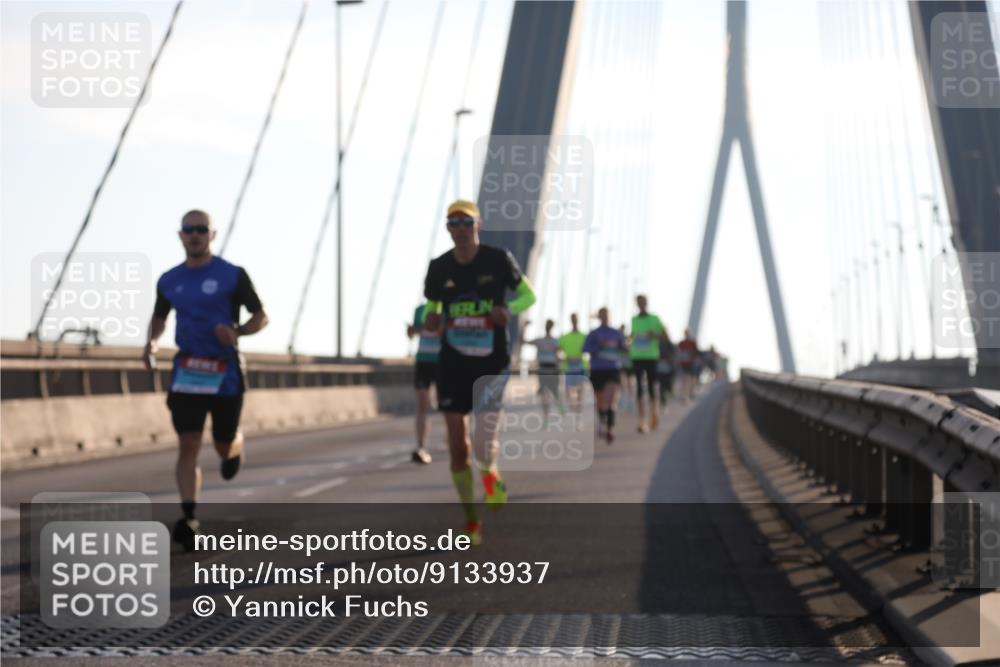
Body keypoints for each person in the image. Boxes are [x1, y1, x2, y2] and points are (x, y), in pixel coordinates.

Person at [143, 210, 268, 551]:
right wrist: (151, 343)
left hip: (225, 372)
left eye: (201, 229)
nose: (195, 235)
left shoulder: (232, 275)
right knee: (188, 442)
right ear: (180, 235)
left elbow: (261, 316)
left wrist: (238, 331)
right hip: (188, 370)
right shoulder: (169, 280)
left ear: (212, 235)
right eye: (189, 229)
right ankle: (189, 516)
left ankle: (234, 447)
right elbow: (159, 317)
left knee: (222, 443)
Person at [422, 199, 536, 545]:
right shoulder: (439, 267)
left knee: (485, 444)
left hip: (491, 362)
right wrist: (431, 318)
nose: (460, 229)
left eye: (466, 222)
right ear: (447, 229)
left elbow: (528, 296)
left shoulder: (498, 259)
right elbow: (432, 308)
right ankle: (472, 519)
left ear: (478, 225)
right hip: (453, 362)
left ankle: (490, 475)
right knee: (458, 446)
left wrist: (507, 310)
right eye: (453, 223)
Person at [584, 307, 627, 444]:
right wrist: (599, 346)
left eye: (606, 315)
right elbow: (585, 349)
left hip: (612, 369)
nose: (604, 317)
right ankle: (602, 420)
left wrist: (625, 347)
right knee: (601, 401)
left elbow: (624, 349)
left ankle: (610, 429)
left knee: (612, 399)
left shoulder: (616, 333)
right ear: (599, 317)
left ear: (609, 316)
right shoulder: (593, 333)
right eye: (602, 315)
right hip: (597, 369)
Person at [406, 303, 440, 464]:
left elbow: (445, 331)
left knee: (449, 406)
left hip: (442, 361)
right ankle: (421, 446)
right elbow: (412, 334)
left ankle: (456, 440)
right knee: (422, 404)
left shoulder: (447, 307)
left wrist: (426, 329)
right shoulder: (419, 310)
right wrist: (411, 331)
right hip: (423, 361)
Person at [629, 295, 666, 432]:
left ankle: (654, 414)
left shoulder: (655, 319)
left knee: (652, 387)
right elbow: (632, 336)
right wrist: (630, 339)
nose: (641, 305)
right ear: (637, 304)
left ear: (647, 303)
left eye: (643, 302)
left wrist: (653, 335)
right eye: (639, 303)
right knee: (639, 388)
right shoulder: (634, 319)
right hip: (637, 356)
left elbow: (664, 336)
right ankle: (642, 421)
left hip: (651, 357)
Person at [521, 319, 563, 424]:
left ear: (552, 327)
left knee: (555, 392)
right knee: (544, 393)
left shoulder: (556, 341)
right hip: (543, 369)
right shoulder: (540, 340)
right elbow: (523, 341)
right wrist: (524, 328)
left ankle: (560, 406)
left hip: (553, 368)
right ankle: (546, 417)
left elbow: (559, 355)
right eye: (547, 325)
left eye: (550, 325)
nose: (548, 327)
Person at [558, 313, 588, 419]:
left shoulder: (584, 336)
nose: (574, 321)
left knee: (580, 390)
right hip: (569, 366)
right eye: (573, 319)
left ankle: (579, 413)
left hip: (580, 365)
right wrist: (561, 358)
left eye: (575, 319)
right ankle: (572, 407)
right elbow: (557, 349)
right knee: (568, 390)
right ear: (571, 321)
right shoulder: (565, 337)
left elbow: (589, 350)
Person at [676, 328, 700, 403]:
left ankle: (690, 393)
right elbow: (678, 352)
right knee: (684, 379)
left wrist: (693, 357)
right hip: (683, 363)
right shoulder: (681, 343)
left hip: (691, 363)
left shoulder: (692, 342)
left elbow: (696, 352)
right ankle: (684, 395)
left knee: (690, 378)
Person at [657, 328, 676, 413]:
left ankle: (668, 396)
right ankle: (663, 404)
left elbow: (674, 355)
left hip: (669, 368)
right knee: (662, 387)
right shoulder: (658, 344)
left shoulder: (670, 344)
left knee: (668, 386)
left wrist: (668, 358)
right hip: (660, 368)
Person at [618, 324, 635, 413]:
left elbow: (630, 350)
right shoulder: (619, 340)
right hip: (621, 365)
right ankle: (622, 400)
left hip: (629, 365)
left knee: (629, 383)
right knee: (621, 383)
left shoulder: (628, 339)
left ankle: (630, 401)